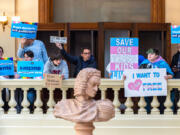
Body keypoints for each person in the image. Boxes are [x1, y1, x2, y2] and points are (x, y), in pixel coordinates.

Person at [139, 48, 174, 114]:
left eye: (151, 54)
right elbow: (136, 74)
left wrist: (168, 76)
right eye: (148, 54)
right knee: (147, 104)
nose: (149, 55)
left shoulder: (163, 63)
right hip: (147, 88)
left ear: (157, 55)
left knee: (160, 104)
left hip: (158, 88)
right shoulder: (144, 63)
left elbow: (171, 74)